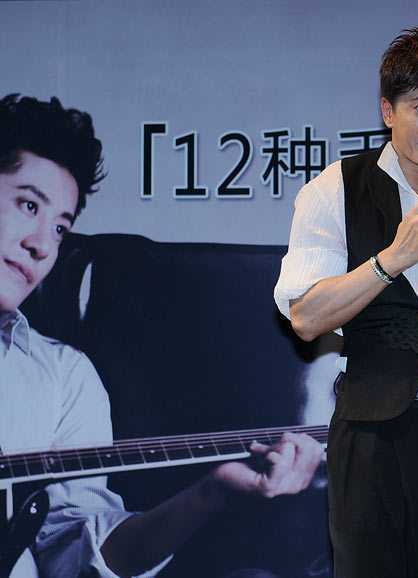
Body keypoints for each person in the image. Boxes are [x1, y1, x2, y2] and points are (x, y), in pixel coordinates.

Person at [0, 93, 324, 578]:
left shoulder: (64, 379)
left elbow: (75, 557)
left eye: (61, 229)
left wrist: (211, 491)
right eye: (29, 205)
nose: (42, 245)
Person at [274, 27, 418, 578]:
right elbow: (304, 316)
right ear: (388, 110)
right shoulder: (335, 188)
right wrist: (391, 260)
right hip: (372, 434)